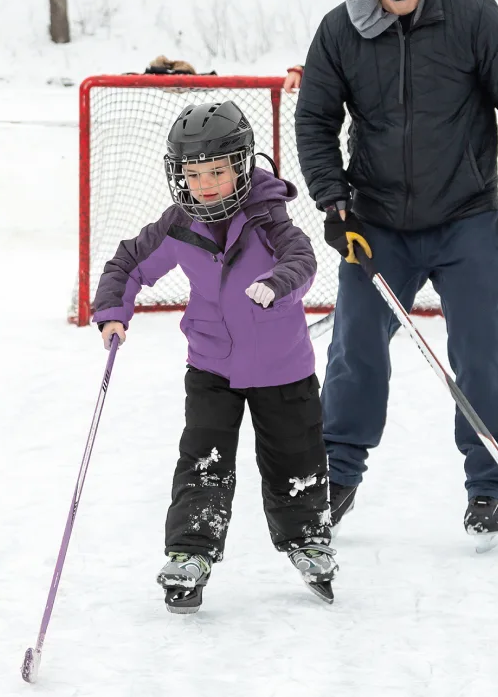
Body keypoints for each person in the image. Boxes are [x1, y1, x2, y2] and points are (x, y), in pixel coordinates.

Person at [294, 0, 498, 552]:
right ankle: (339, 471)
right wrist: (334, 204)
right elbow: (315, 120)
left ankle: (491, 482)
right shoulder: (340, 32)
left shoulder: (472, 17)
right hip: (377, 220)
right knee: (355, 346)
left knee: (482, 350)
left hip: (465, 215)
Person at [92, 100, 337, 613]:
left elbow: (302, 259)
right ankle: (190, 552)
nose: (205, 184)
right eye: (194, 173)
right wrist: (114, 308)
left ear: (243, 166)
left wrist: (278, 284)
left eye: (218, 172)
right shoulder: (181, 224)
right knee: (203, 461)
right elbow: (129, 261)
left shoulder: (268, 219)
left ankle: (308, 539)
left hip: (282, 368)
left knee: (295, 456)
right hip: (211, 366)